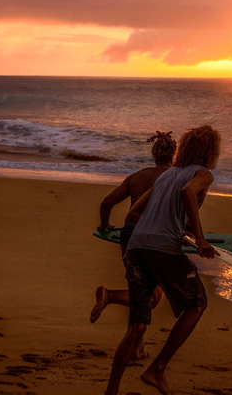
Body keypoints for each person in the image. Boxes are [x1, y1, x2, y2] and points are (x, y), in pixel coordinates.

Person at [105, 125, 221, 395]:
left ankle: (111, 391)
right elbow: (188, 193)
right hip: (161, 249)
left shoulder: (167, 175)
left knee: (136, 326)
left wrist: (176, 229)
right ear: (210, 151)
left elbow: (133, 213)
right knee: (197, 304)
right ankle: (157, 369)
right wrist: (201, 240)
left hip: (136, 248)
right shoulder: (203, 174)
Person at [91, 131, 177, 358]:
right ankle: (109, 296)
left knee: (140, 290)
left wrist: (104, 224)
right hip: (156, 237)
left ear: (153, 154)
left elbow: (106, 202)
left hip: (129, 236)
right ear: (174, 155)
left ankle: (136, 348)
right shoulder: (173, 178)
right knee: (152, 297)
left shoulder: (137, 177)